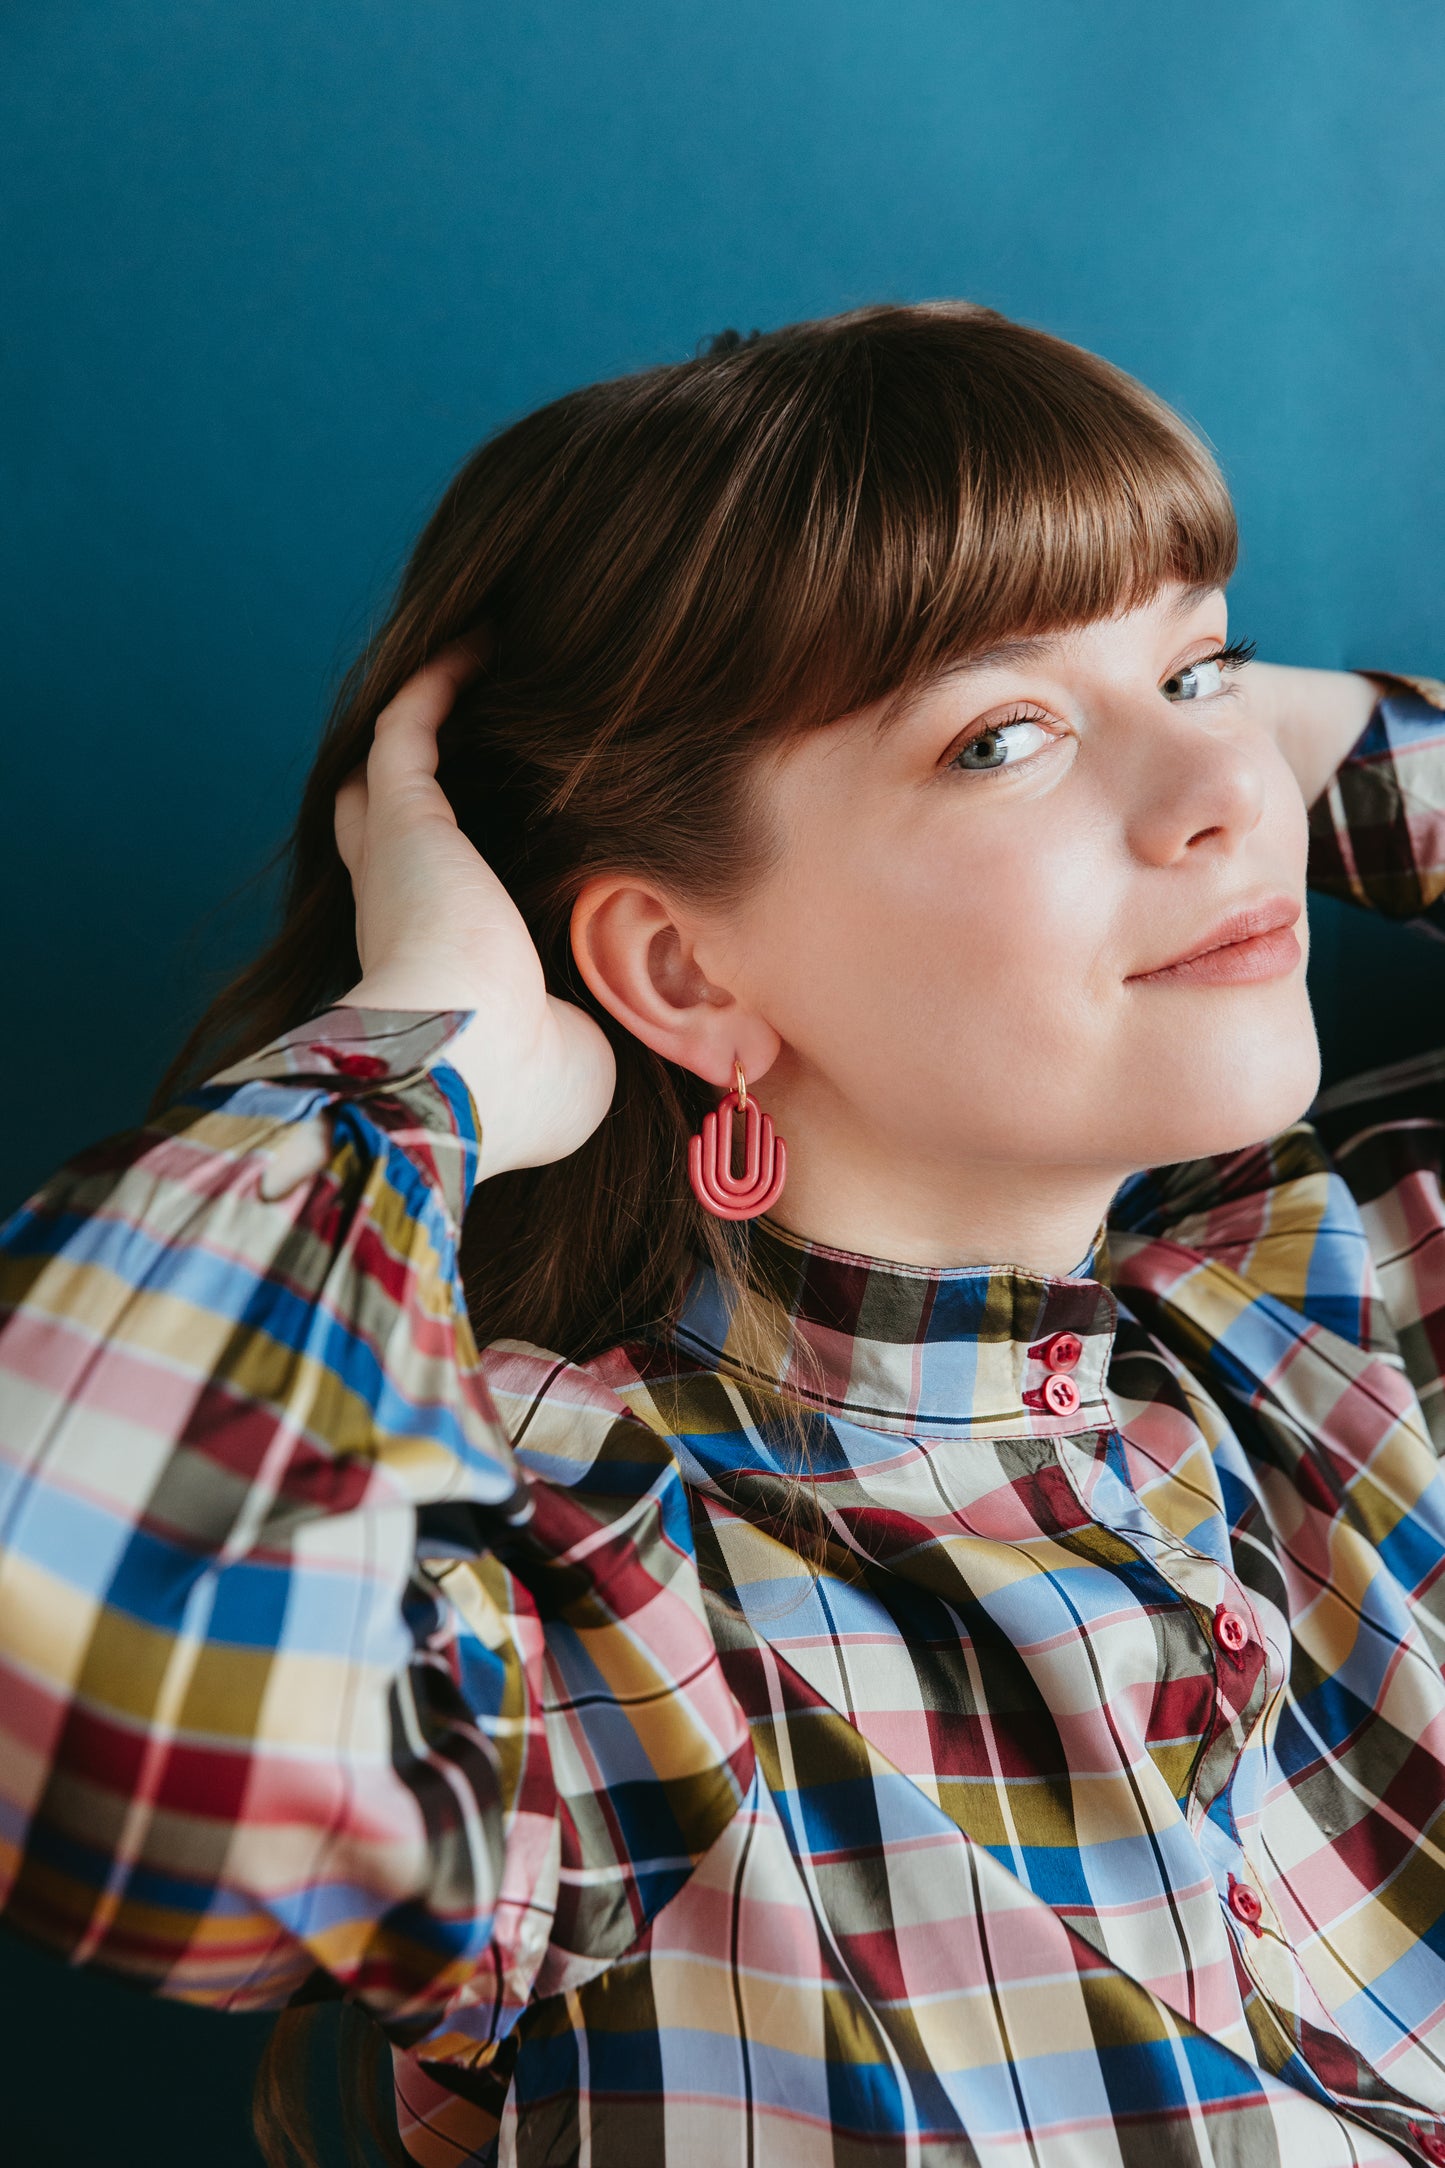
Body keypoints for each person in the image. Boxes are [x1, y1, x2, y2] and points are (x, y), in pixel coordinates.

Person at [3, 303, 1445, 2168]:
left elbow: (1232, 771)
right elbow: (58, 1625)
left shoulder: (1347, 1316)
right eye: (1000, 738)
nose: (1221, 791)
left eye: (1201, 673)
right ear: (682, 969)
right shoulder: (594, 1597)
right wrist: (433, 1052)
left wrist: (1277, 729)